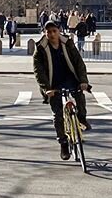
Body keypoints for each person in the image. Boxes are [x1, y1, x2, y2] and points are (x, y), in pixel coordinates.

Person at [32, 21, 91, 161]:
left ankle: (82, 118)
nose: (52, 34)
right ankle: (63, 143)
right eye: (48, 32)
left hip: (70, 78)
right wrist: (46, 89)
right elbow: (38, 71)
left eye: (54, 31)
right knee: (57, 114)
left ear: (59, 31)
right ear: (45, 33)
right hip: (52, 83)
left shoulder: (68, 43)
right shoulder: (40, 49)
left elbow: (78, 62)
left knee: (80, 98)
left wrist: (83, 81)